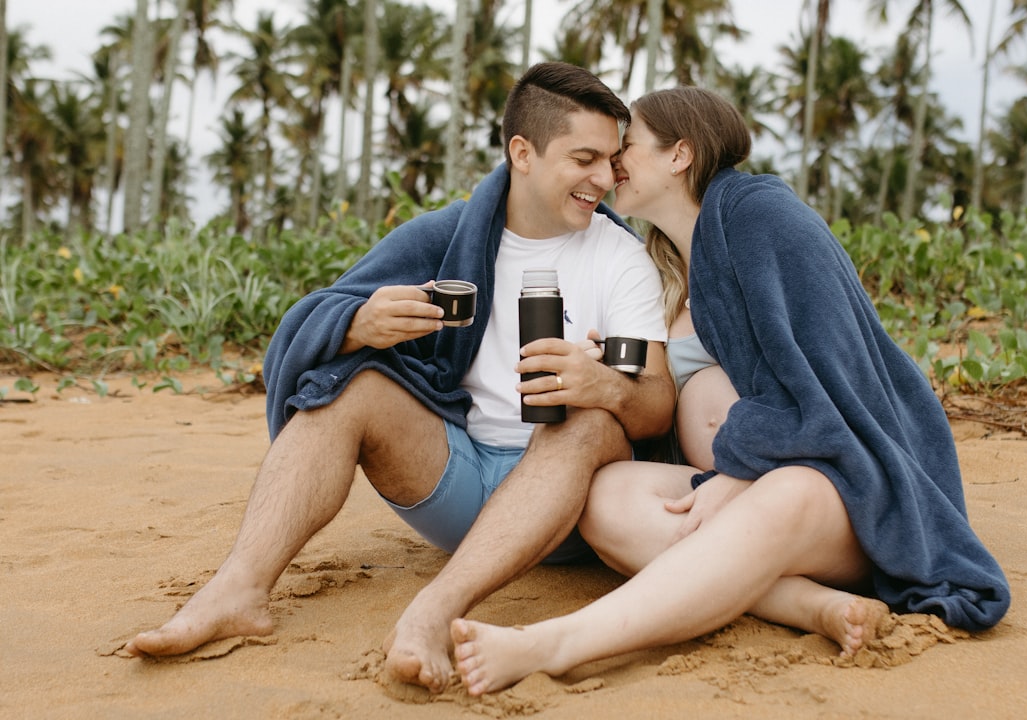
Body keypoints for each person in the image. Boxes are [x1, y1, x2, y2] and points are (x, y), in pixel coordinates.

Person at [124, 62, 675, 694]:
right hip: (458, 480)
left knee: (590, 422)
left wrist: (604, 387)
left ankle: (435, 611)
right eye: (584, 159)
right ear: (522, 153)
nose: (604, 178)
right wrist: (359, 323)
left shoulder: (620, 258)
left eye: (611, 159)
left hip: (568, 507)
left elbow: (657, 405)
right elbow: (311, 321)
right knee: (352, 386)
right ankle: (235, 592)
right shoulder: (446, 237)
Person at [450, 86, 1012, 696]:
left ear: (680, 154)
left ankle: (556, 644)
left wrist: (743, 472)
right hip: (734, 484)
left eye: (627, 148)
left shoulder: (764, 218)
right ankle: (810, 605)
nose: (612, 167)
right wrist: (606, 370)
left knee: (788, 492)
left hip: (846, 485)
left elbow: (838, 385)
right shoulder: (669, 261)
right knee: (607, 497)